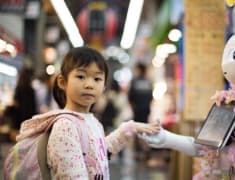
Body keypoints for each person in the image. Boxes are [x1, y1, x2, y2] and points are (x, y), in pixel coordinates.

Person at [141, 29, 235, 179]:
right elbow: (204, 147)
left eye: (233, 55)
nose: (225, 63)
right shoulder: (229, 103)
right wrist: (167, 138)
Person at [14, 46, 160, 179]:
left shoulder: (92, 122)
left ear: (103, 86)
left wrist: (131, 128)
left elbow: (100, 152)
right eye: (81, 76)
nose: (89, 84)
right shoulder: (65, 126)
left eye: (97, 79)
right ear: (62, 82)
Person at [128, 62, 153, 160]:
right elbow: (151, 97)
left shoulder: (134, 81)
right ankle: (145, 150)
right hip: (146, 110)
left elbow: (130, 97)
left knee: (137, 130)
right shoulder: (149, 82)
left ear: (139, 70)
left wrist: (133, 107)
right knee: (146, 130)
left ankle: (138, 151)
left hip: (137, 111)